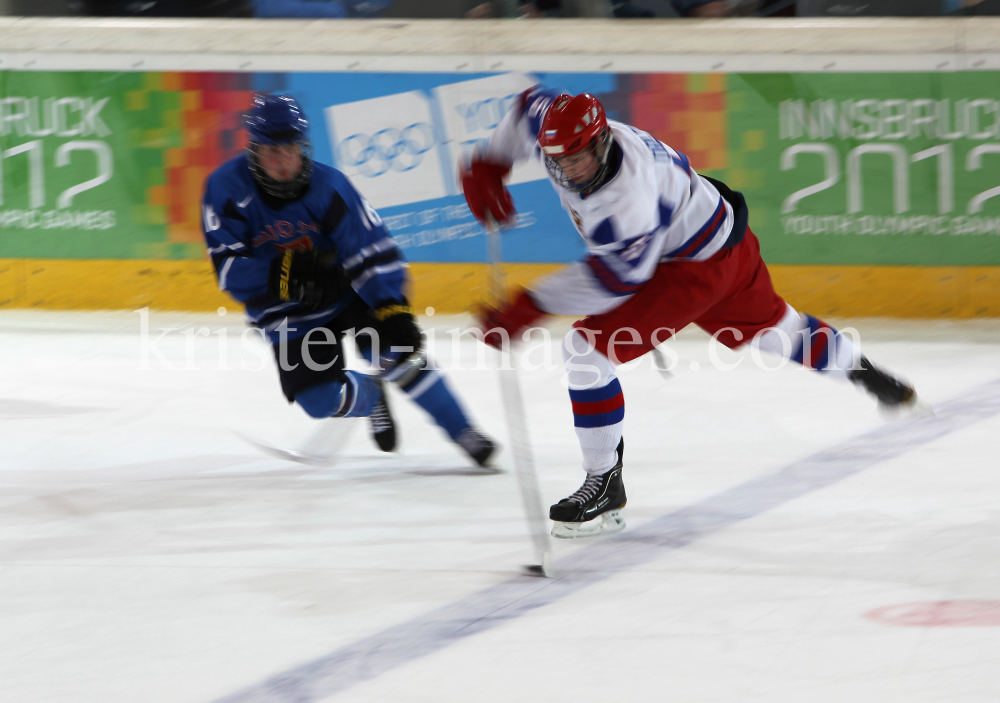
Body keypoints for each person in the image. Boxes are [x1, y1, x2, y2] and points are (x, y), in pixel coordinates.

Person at [461, 88, 918, 538]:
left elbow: (614, 281)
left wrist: (530, 305)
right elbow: (527, 107)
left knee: (586, 352)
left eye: (578, 159)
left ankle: (604, 481)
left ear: (603, 141)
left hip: (689, 267)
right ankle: (862, 371)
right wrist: (491, 159)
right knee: (779, 330)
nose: (569, 171)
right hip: (722, 231)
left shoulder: (627, 197)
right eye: (557, 161)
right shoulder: (560, 133)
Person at [202, 94, 496, 467]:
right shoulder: (225, 190)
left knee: (398, 355)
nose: (283, 163)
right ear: (254, 150)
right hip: (285, 310)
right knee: (319, 402)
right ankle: (370, 394)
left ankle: (464, 432)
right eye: (272, 153)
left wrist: (394, 309)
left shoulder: (330, 186)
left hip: (347, 291)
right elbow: (228, 268)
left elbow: (371, 251)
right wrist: (283, 276)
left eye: (290, 150)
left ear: (303, 146)